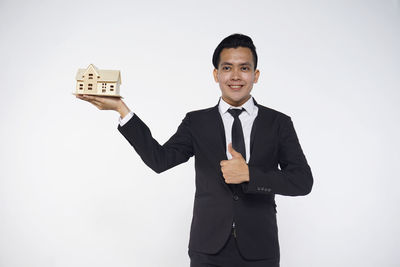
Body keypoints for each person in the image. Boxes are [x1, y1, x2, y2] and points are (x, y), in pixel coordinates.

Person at [76, 33, 313, 267]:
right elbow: (160, 160)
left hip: (260, 249)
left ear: (256, 75)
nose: (235, 76)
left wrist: (250, 175)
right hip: (207, 250)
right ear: (216, 74)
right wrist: (121, 108)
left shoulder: (279, 123)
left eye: (244, 68)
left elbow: (302, 181)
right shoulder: (197, 122)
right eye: (227, 68)